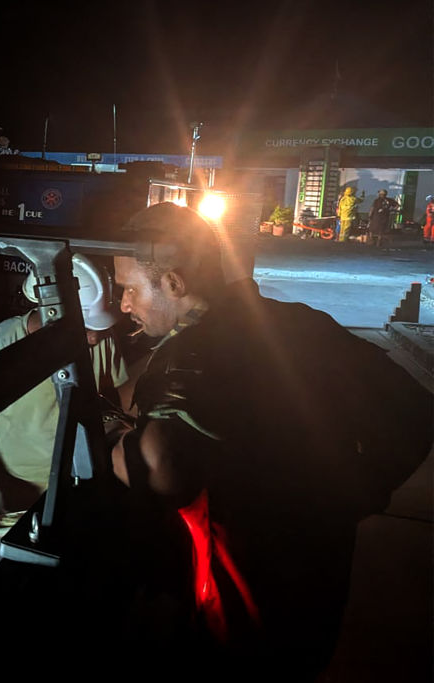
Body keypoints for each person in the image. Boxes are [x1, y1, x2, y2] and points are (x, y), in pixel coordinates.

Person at [108, 202, 432, 680]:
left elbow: (161, 468)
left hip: (237, 605)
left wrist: (110, 437)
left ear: (174, 284)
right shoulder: (301, 323)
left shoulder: (187, 356)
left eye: (129, 289)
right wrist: (360, 493)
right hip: (320, 582)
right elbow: (417, 412)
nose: (124, 305)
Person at [0, 254, 131, 547]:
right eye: (85, 326)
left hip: (77, 495)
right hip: (10, 510)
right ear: (52, 312)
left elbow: (120, 397)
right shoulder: (1, 345)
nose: (93, 338)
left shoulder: (102, 340)